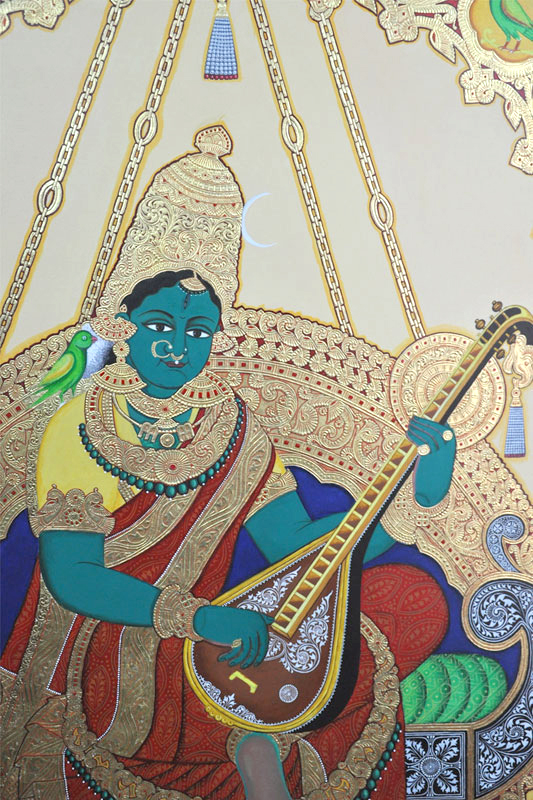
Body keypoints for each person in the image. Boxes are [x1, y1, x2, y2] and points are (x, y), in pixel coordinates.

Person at [0, 125, 454, 800]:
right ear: (124, 325)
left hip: (229, 632)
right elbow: (74, 579)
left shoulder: (233, 427)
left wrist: (411, 494)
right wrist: (199, 619)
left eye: (197, 330)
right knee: (192, 673)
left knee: (412, 599)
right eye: (159, 325)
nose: (178, 345)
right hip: (118, 642)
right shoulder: (82, 425)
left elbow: (300, 546)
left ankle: (262, 739)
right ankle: (257, 744)